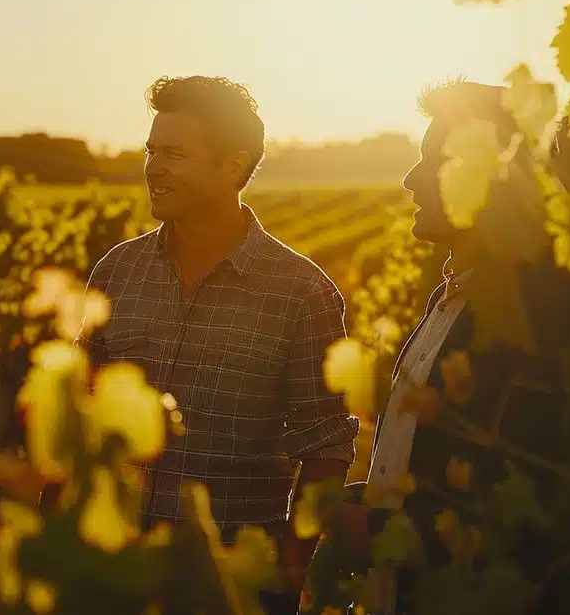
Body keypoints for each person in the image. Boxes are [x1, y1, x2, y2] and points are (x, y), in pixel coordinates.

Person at [326, 80, 570, 615]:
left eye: (433, 163)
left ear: (496, 178)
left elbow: (517, 514)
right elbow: (433, 472)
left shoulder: (530, 325)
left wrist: (367, 529)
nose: (410, 180)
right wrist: (364, 503)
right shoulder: (449, 301)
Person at [58, 75, 359, 614]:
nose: (153, 167)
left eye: (174, 154)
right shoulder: (116, 273)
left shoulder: (301, 293)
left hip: (230, 591)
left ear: (233, 167)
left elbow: (325, 448)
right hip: (113, 577)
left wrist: (288, 574)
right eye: (152, 150)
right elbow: (76, 421)